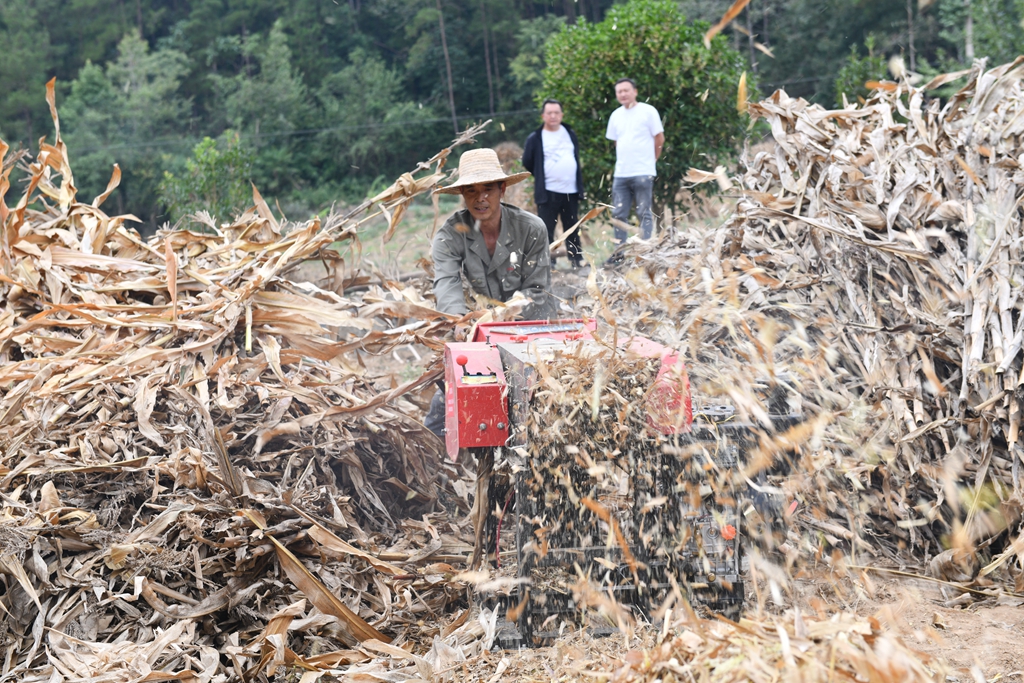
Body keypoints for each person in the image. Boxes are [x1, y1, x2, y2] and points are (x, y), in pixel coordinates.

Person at [425, 148, 553, 437]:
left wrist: (499, 316)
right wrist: (459, 320)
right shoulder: (450, 233)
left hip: (530, 329)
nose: (480, 198)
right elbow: (446, 282)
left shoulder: (532, 229)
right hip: (482, 330)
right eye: (471, 191)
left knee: (539, 403)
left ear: (502, 189)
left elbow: (537, 292)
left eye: (487, 189)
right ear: (462, 195)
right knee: (447, 400)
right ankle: (435, 463)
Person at [522, 99, 585, 269]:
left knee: (572, 226)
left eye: (556, 112)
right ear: (543, 116)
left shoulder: (569, 132)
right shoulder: (535, 137)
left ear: (561, 115)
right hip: (548, 191)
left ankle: (576, 261)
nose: (553, 116)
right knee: (547, 228)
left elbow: (575, 156)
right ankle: (549, 263)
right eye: (549, 113)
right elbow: (527, 161)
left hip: (570, 190)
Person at [605, 78, 664, 244]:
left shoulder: (648, 111)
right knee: (618, 213)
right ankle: (619, 252)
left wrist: (653, 160)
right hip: (621, 173)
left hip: (643, 171)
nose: (623, 94)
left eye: (626, 90)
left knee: (644, 212)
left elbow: (659, 138)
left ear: (635, 92)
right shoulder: (615, 115)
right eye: (619, 91)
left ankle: (645, 249)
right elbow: (616, 142)